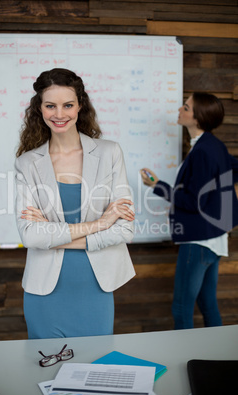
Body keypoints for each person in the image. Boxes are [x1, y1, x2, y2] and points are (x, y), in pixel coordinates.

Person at [15, 68, 135, 339]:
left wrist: (53, 233)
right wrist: (101, 223)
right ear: (40, 109)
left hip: (95, 286)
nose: (59, 114)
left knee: (94, 370)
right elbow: (31, 235)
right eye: (50, 106)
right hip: (44, 292)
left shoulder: (109, 153)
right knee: (45, 374)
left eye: (68, 105)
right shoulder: (27, 164)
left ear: (80, 106)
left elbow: (124, 231)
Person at [140, 92, 238, 330]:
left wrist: (157, 186)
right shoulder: (212, 145)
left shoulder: (204, 151)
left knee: (182, 308)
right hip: (213, 237)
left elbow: (194, 202)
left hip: (199, 240)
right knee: (207, 304)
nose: (179, 110)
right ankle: (217, 358)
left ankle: (185, 361)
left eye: (186, 107)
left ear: (198, 117)